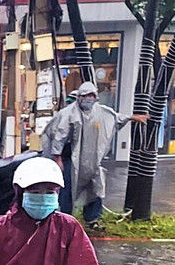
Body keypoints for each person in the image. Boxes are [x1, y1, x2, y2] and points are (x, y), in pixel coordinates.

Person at [42, 81, 148, 230]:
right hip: (70, 158)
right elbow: (59, 136)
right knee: (67, 189)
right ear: (79, 97)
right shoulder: (68, 114)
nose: (88, 98)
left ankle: (92, 218)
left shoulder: (101, 112)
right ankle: (65, 219)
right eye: (85, 95)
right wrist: (57, 158)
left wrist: (132, 118)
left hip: (91, 160)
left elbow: (115, 118)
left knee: (96, 188)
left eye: (91, 95)